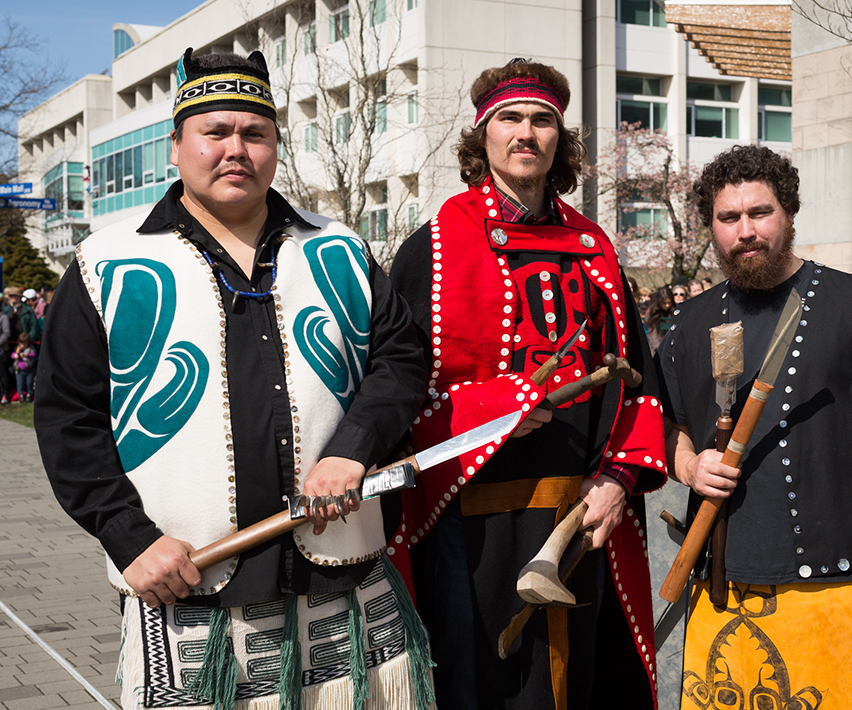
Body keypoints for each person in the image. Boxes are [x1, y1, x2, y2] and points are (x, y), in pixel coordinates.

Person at [34, 48, 434, 710]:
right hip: (187, 578)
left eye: (254, 133)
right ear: (176, 146)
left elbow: (401, 360)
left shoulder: (339, 248)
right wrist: (127, 536)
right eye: (214, 132)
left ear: (276, 145)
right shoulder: (107, 261)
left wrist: (351, 446)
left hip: (342, 574)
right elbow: (66, 417)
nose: (235, 150)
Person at [390, 58, 667, 709]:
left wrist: (619, 481)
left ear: (559, 138)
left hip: (580, 509)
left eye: (542, 120)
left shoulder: (594, 245)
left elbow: (637, 383)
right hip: (468, 519)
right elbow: (392, 396)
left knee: (580, 684)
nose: (526, 132)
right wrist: (501, 403)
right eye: (509, 118)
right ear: (482, 135)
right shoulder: (431, 247)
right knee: (478, 682)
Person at [657, 144, 852, 709]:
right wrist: (689, 465)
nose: (746, 230)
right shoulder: (687, 324)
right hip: (726, 586)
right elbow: (670, 426)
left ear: (789, 213)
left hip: (842, 586)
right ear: (711, 228)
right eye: (729, 218)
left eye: (760, 213)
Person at [644, 286, 674, 354]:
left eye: (669, 303)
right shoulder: (652, 312)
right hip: (657, 348)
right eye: (664, 303)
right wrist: (659, 347)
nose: (667, 306)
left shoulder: (674, 310)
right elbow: (652, 332)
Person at [10, 332, 37, 403]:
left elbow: (33, 354)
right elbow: (12, 355)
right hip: (19, 370)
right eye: (21, 343)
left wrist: (26, 355)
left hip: (29, 370)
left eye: (24, 343)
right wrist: (15, 355)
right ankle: (21, 395)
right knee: (20, 384)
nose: (22, 345)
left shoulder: (30, 348)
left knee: (29, 383)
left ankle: (29, 395)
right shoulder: (17, 348)